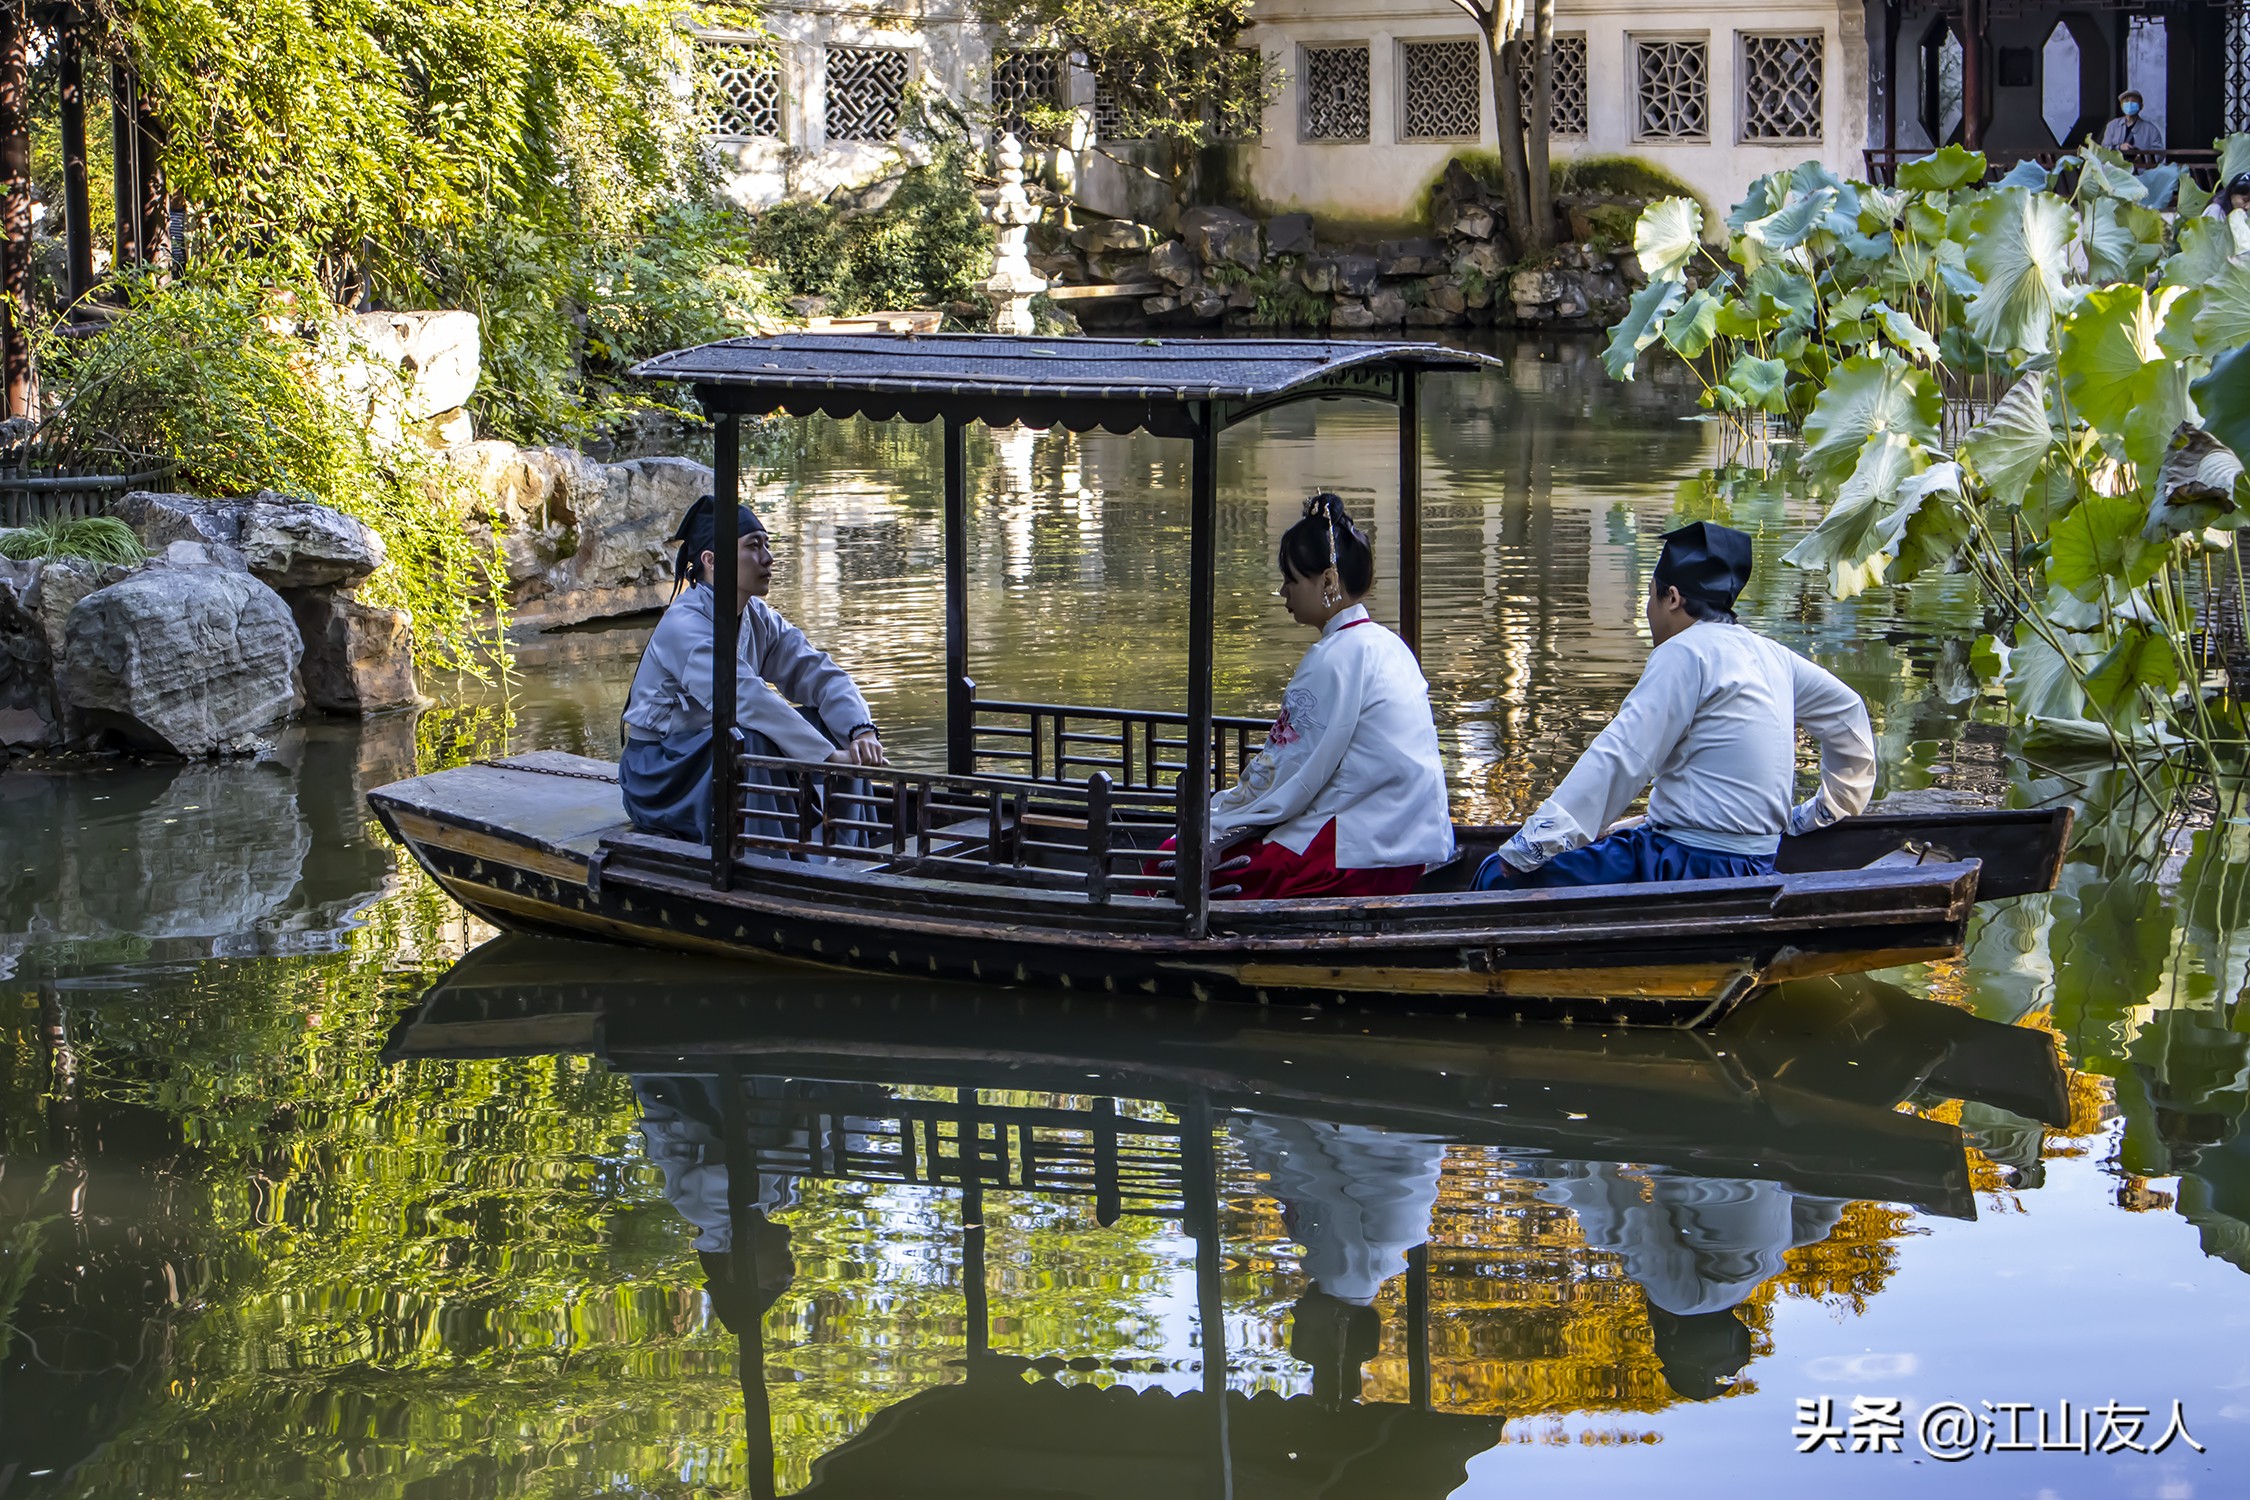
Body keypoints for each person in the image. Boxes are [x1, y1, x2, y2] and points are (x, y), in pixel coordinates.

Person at [1475, 520, 1874, 889]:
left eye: (1649, 596)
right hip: (1757, 861)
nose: (1648, 611)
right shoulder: (1773, 655)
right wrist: (1824, 809)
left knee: (1495, 876)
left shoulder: (1684, 651)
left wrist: (1530, 845)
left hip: (1688, 863)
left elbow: (1622, 755)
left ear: (1672, 597)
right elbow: (1847, 712)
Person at [1172, 493, 1454, 900]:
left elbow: (1289, 771)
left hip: (1353, 856)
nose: (1283, 591)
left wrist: (1219, 811)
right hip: (1406, 846)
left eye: (1291, 579)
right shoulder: (1389, 644)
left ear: (1327, 581)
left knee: (1172, 859)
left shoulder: (1335, 657)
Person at [619, 494, 886, 843]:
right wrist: (826, 756)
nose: (768, 557)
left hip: (707, 754)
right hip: (660, 772)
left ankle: (846, 849)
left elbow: (819, 672)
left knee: (829, 723)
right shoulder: (684, 625)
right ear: (712, 560)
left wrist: (861, 731)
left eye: (767, 545)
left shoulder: (758, 616)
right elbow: (744, 697)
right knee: (749, 739)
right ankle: (768, 854)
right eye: (753, 546)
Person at [2100, 90, 2163, 155]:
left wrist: (2143, 157)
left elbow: (2159, 153)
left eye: (2134, 101)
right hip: (2115, 162)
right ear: (2121, 106)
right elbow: (2104, 149)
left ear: (2141, 106)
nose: (2129, 104)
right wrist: (2119, 147)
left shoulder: (2151, 129)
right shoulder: (2112, 125)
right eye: (2126, 101)